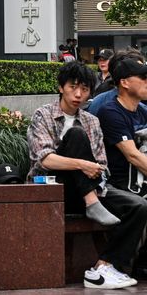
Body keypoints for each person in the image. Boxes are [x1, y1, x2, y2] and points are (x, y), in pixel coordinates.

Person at [26, 60, 143, 290]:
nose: (78, 94)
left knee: (138, 206)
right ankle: (92, 203)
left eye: (85, 89)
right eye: (73, 87)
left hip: (90, 187)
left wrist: (90, 170)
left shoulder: (92, 120)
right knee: (77, 136)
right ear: (61, 87)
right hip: (54, 187)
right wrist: (81, 164)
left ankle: (105, 267)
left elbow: (101, 166)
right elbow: (44, 159)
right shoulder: (44, 115)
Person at [96, 58, 147, 198]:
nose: (146, 81)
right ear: (124, 82)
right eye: (143, 77)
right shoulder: (110, 112)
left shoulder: (142, 111)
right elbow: (133, 156)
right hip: (122, 187)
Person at [88, 49, 145, 117]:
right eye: (141, 75)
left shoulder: (142, 107)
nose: (102, 62)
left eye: (105, 59)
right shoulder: (101, 103)